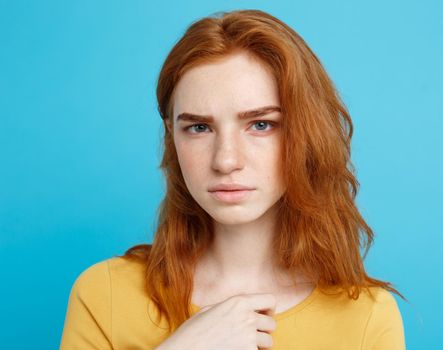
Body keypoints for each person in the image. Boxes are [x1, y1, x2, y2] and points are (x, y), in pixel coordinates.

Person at [60, 9, 406, 350]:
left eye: (261, 124)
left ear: (306, 133)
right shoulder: (103, 294)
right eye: (199, 127)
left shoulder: (366, 317)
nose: (226, 160)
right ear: (172, 137)